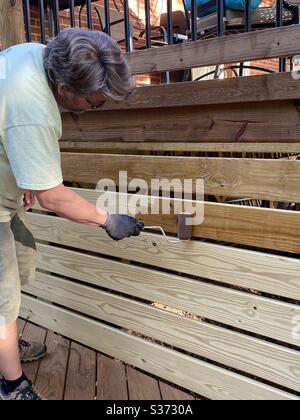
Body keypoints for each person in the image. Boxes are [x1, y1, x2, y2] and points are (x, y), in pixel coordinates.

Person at [0, 28, 144, 400]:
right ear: (65, 90)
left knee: (24, 264)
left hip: (5, 196)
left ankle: (5, 348)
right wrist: (108, 220)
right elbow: (54, 198)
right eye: (95, 102)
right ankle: (11, 385)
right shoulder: (34, 110)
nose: (100, 107)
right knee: (3, 298)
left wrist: (24, 176)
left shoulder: (38, 54)